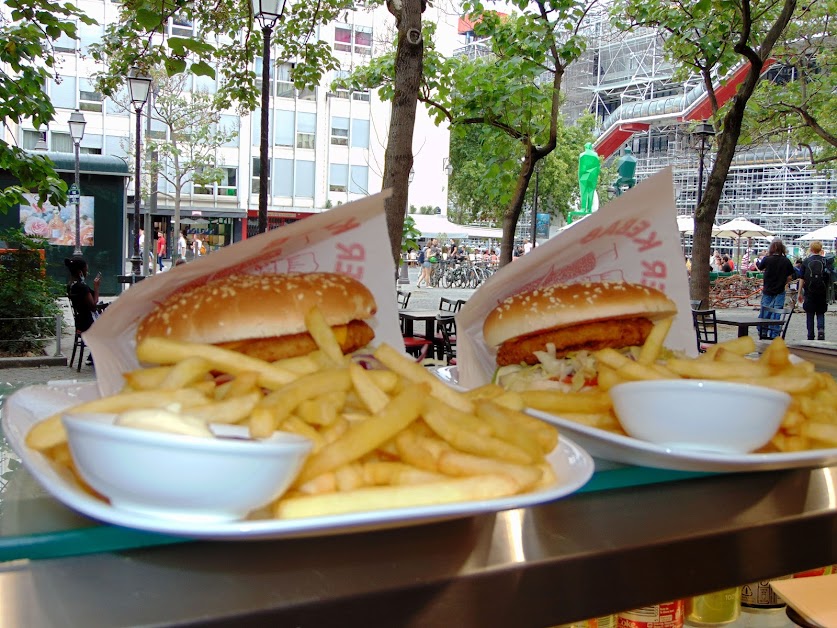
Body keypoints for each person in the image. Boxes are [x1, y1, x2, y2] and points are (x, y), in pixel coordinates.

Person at [756, 238, 795, 340]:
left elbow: (759, 267)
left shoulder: (767, 259)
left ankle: (762, 331)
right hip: (780, 290)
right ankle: (774, 335)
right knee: (777, 313)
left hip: (768, 289)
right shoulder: (786, 261)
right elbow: (790, 276)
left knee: (765, 312)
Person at [798, 240, 830, 341]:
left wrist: (799, 293)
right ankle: (821, 330)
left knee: (810, 314)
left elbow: (802, 278)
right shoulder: (825, 261)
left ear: (811, 249)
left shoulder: (806, 261)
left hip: (809, 291)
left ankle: (810, 335)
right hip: (822, 291)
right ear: (821, 249)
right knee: (820, 313)